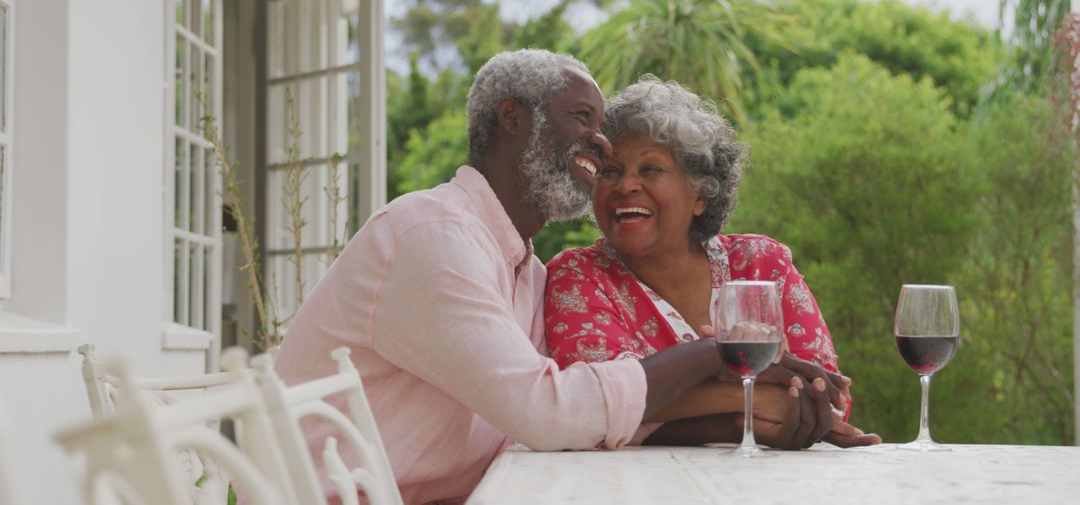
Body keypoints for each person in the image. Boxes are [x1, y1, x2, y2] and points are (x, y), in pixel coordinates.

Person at [275, 50, 826, 505]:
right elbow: (549, 414)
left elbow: (586, 415)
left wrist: (739, 422)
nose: (602, 143)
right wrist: (724, 350)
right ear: (514, 118)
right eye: (583, 118)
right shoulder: (432, 235)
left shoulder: (522, 268)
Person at [544, 76, 881, 448]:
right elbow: (595, 406)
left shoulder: (762, 263)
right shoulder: (576, 277)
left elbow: (825, 397)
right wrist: (747, 403)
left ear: (700, 194)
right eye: (610, 171)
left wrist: (671, 402)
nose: (626, 186)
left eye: (650, 169)